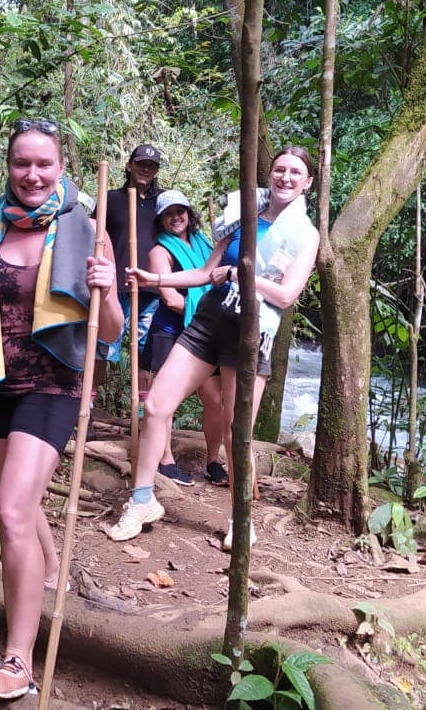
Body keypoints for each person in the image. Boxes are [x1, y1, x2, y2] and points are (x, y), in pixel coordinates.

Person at [0, 118, 122, 701]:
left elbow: (111, 333)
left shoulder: (86, 231)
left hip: (52, 388)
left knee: (15, 510)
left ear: (61, 168)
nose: (33, 174)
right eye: (23, 163)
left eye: (44, 164)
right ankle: (49, 577)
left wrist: (107, 286)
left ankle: (18, 659)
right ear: (9, 167)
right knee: (7, 505)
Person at [107, 146, 319, 549]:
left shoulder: (306, 235)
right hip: (209, 321)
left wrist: (242, 275)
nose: (285, 177)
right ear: (270, 174)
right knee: (156, 406)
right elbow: (206, 273)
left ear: (307, 181)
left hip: (250, 332)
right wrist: (154, 279)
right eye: (279, 169)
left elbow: (288, 295)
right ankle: (142, 500)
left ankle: (241, 518)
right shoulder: (244, 217)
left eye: (295, 172)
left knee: (236, 431)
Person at [142, 189, 226, 488]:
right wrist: (207, 313)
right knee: (165, 400)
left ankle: (213, 460)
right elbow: (170, 298)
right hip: (172, 330)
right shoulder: (159, 252)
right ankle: (165, 460)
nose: (176, 217)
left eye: (181, 211)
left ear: (189, 214)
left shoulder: (205, 243)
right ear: (161, 220)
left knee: (215, 400)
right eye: (169, 213)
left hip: (207, 331)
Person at [94, 143, 163, 376]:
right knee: (106, 340)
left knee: (148, 346)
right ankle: (90, 402)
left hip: (152, 286)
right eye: (141, 164)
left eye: (151, 166)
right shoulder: (111, 199)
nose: (146, 169)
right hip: (117, 284)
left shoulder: (164, 203)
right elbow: (95, 234)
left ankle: (143, 407)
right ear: (129, 165)